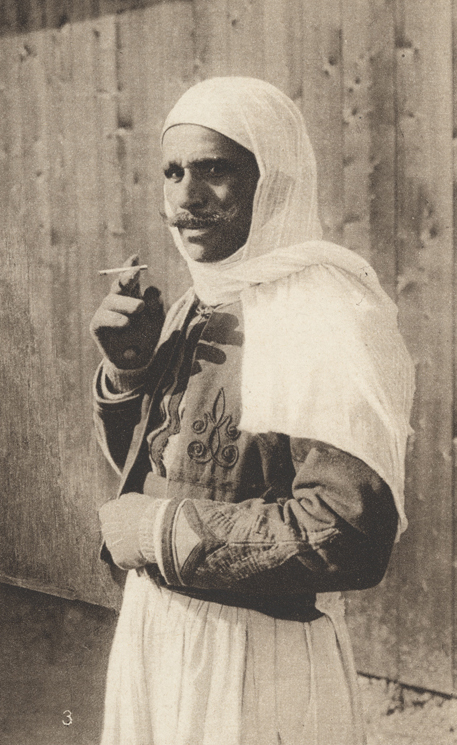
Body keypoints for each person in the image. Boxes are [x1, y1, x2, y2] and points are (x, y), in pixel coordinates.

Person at [90, 77, 415, 745]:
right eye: (173, 171)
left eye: (215, 169)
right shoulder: (199, 301)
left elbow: (346, 533)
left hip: (256, 659)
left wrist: (157, 533)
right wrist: (129, 371)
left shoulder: (326, 313)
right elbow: (171, 465)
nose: (186, 195)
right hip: (158, 632)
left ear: (273, 178)